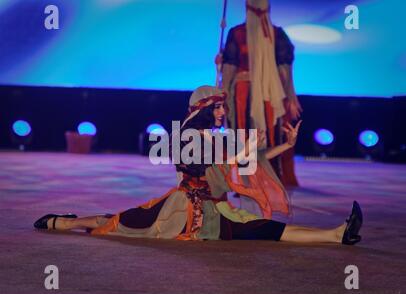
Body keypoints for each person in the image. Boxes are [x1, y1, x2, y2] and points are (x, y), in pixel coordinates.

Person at [34, 86, 362, 245]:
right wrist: (245, 147)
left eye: (222, 107)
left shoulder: (216, 136)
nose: (222, 112)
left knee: (268, 230)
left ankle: (336, 234)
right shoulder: (186, 136)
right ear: (201, 107)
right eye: (217, 107)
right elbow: (216, 166)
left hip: (220, 209)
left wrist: (285, 145)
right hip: (184, 209)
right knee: (118, 223)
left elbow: (250, 160)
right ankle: (61, 223)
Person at [221, 0, 302, 187]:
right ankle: (246, 180)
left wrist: (290, 95)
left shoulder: (276, 35)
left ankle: (268, 177)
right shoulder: (238, 33)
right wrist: (222, 94)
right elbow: (229, 66)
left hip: (270, 95)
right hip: (243, 94)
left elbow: (285, 69)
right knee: (244, 135)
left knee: (270, 135)